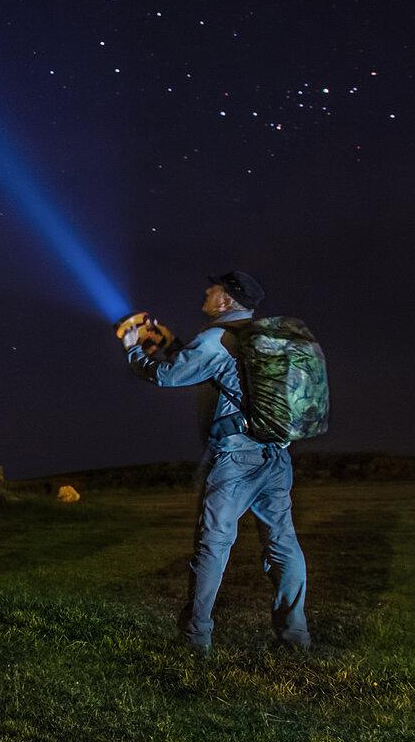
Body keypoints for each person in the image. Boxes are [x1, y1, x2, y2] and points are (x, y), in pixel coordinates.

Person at [120, 270, 310, 655]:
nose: (207, 291)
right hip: (276, 454)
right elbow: (214, 368)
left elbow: (167, 375)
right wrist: (170, 341)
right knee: (283, 544)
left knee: (214, 544)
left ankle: (196, 638)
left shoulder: (214, 339)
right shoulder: (263, 338)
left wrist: (132, 349)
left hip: (237, 457)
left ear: (225, 301)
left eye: (214, 288)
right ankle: (295, 637)